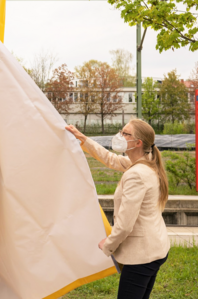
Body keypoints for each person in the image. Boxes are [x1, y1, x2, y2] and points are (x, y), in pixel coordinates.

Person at [66, 119, 170, 299]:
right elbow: (110, 159)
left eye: (125, 134)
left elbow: (125, 224)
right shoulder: (145, 162)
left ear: (138, 143)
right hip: (155, 249)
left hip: (142, 256)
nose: (120, 136)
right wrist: (83, 139)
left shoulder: (137, 174)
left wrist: (108, 244)